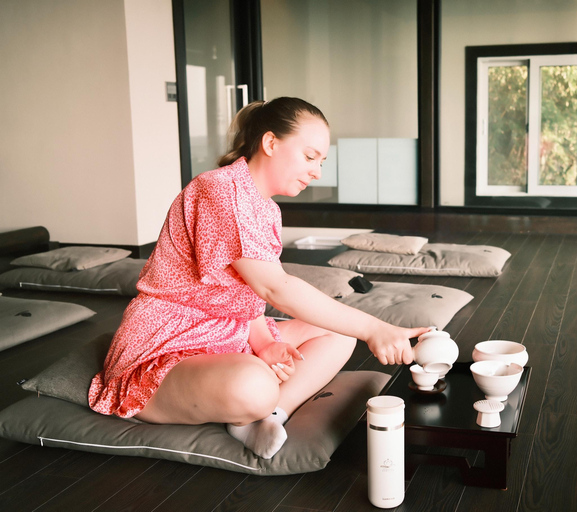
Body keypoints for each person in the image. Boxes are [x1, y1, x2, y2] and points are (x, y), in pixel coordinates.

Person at [88, 97, 430, 459]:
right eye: (310, 156)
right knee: (254, 384)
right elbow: (274, 288)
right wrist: (375, 328)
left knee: (338, 333)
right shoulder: (218, 190)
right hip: (167, 344)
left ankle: (267, 417)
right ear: (270, 143)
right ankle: (255, 403)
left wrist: (265, 343)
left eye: (321, 161)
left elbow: (243, 294)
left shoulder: (265, 207)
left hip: (227, 332)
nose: (317, 171)